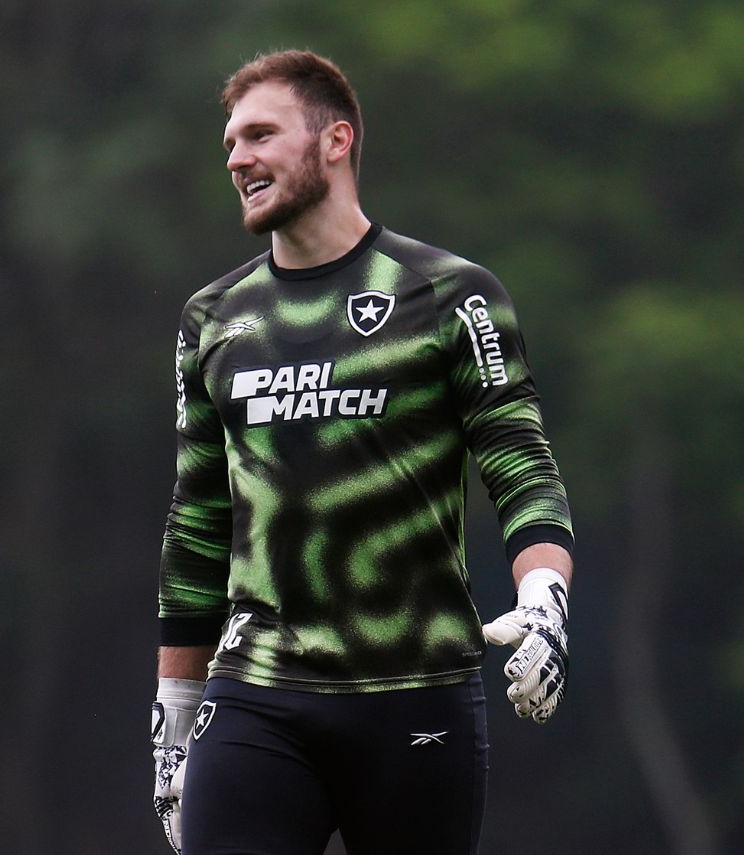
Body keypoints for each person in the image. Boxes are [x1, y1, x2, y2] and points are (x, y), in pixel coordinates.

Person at [149, 50, 574, 855]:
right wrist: (175, 700)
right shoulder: (212, 318)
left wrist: (547, 595)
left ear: (336, 138)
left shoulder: (453, 296)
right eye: (231, 143)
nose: (237, 158)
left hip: (418, 696)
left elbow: (521, 466)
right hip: (257, 693)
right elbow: (199, 519)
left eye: (261, 134)